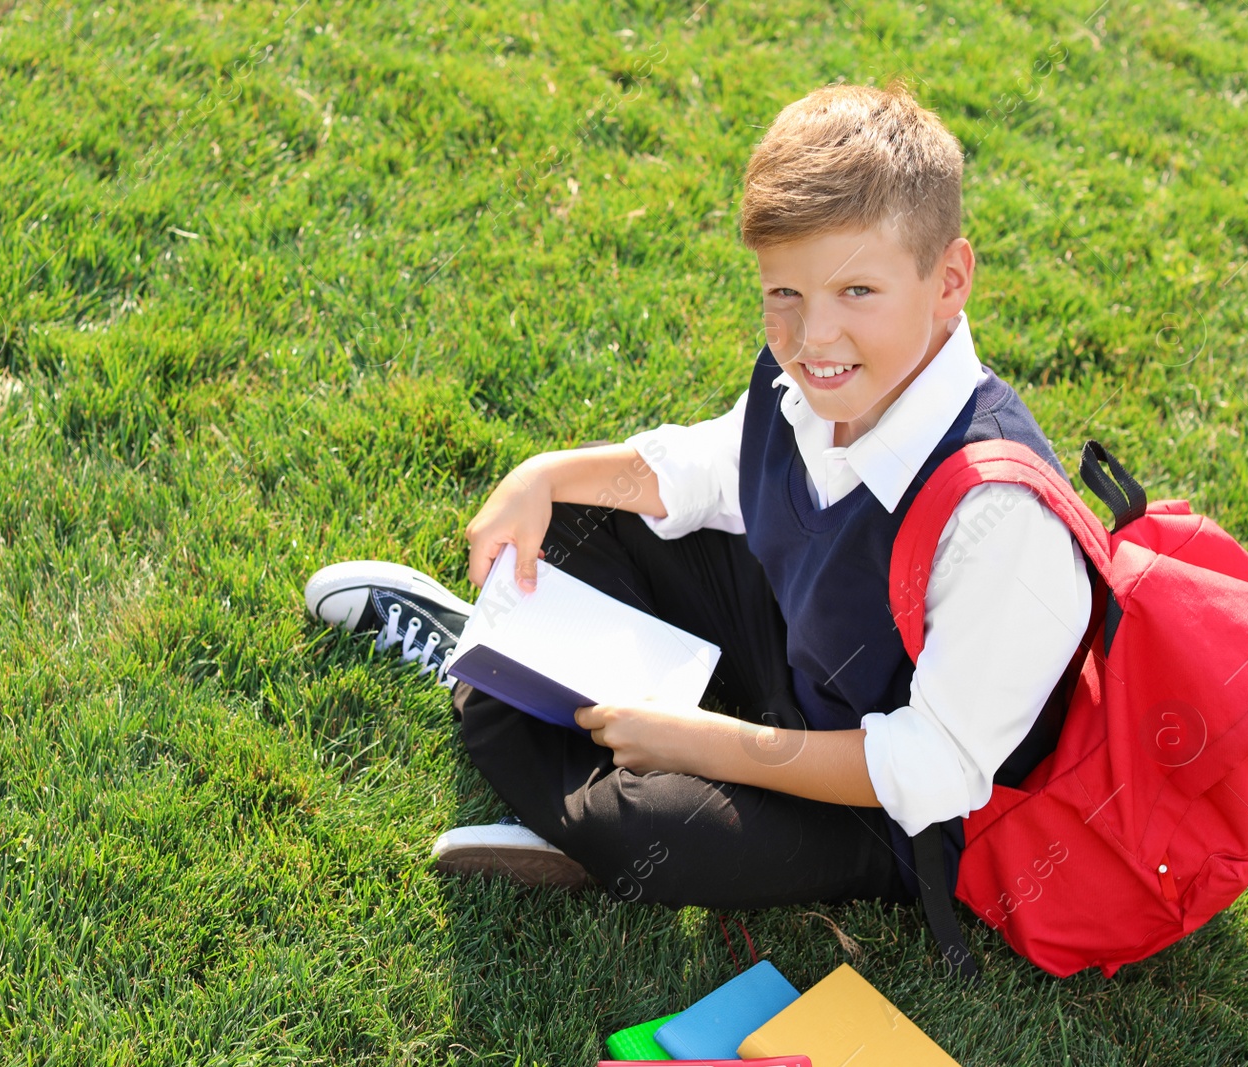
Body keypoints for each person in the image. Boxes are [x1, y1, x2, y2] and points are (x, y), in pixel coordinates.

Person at [305, 80, 1092, 911]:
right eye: (784, 293)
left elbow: (931, 768)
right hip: (802, 660)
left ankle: (550, 761)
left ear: (949, 280)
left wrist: (709, 746)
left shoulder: (1002, 519)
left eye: (858, 292)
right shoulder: (816, 384)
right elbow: (710, 471)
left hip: (892, 807)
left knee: (655, 832)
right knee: (577, 522)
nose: (814, 336)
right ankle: (506, 674)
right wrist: (542, 474)